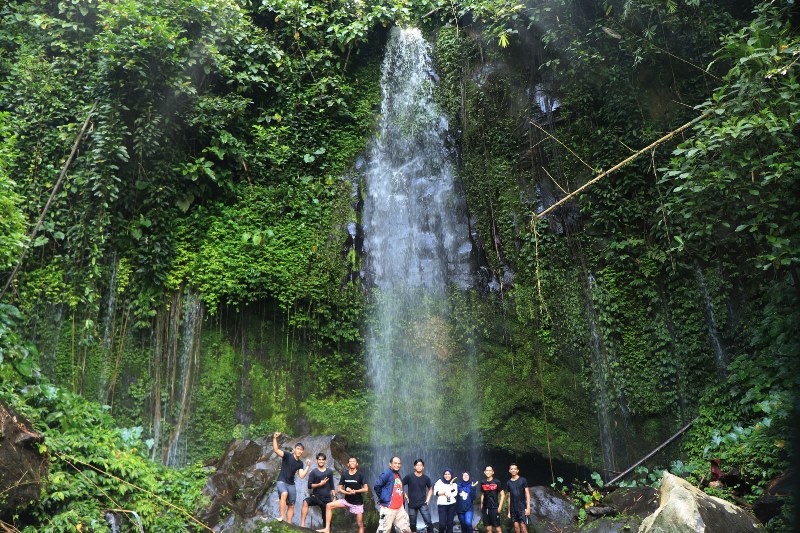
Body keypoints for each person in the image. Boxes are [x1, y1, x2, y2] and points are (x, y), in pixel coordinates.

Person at [317, 456, 368, 533]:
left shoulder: (361, 474)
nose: (352, 462)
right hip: (346, 501)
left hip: (357, 503)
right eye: (350, 461)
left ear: (357, 464)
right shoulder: (344, 474)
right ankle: (327, 529)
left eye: (354, 461)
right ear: (348, 464)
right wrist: (347, 492)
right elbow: (339, 489)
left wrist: (355, 491)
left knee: (359, 524)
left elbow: (366, 489)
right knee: (328, 505)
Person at [272, 431, 311, 523]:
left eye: (301, 450)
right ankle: (281, 516)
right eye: (298, 449)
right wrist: (274, 438)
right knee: (284, 494)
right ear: (294, 449)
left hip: (291, 484)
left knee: (291, 504)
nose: (299, 451)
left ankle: (289, 523)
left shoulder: (300, 463)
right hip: (281, 481)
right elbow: (276, 450)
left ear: (302, 451)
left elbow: (301, 476)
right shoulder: (287, 455)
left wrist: (308, 466)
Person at [374, 456, 412, 533]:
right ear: (390, 464)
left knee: (405, 529)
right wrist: (382, 497)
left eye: (399, 463)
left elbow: (396, 487)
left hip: (399, 508)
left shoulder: (397, 475)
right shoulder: (387, 473)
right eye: (395, 463)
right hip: (388, 508)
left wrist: (403, 494)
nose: (397, 465)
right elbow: (377, 486)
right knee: (384, 530)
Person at [302, 452, 336, 528]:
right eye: (319, 459)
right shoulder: (313, 472)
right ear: (316, 461)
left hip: (327, 499)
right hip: (316, 497)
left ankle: (327, 530)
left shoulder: (329, 471)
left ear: (325, 461)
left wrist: (334, 497)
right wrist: (320, 484)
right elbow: (309, 486)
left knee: (326, 520)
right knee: (305, 502)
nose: (321, 461)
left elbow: (332, 485)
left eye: (322, 460)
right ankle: (302, 525)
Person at [402, 459, 433, 533]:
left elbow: (430, 489)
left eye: (421, 465)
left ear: (423, 467)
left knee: (428, 522)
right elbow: (400, 485)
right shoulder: (409, 477)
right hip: (412, 503)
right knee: (412, 524)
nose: (419, 467)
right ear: (414, 467)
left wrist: (428, 499)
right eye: (417, 465)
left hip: (423, 503)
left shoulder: (426, 478)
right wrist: (405, 495)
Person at [505, 464, 530, 533]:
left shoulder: (523, 480)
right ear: (509, 470)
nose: (513, 470)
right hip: (513, 509)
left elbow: (527, 494)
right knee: (516, 528)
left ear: (517, 470)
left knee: (523, 528)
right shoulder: (508, 482)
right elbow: (509, 497)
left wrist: (528, 508)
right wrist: (509, 511)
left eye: (515, 469)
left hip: (522, 508)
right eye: (512, 469)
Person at [479, 466, 505, 533]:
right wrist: (481, 504)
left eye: (490, 470)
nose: (488, 472)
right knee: (488, 529)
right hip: (485, 508)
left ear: (493, 472)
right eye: (487, 470)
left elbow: (503, 495)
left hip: (494, 507)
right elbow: (482, 494)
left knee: (498, 529)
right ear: (484, 472)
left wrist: (499, 507)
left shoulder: (497, 482)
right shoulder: (483, 482)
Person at [433, 469, 458, 533]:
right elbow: (435, 492)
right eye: (445, 474)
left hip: (452, 505)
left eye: (449, 474)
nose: (447, 476)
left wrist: (450, 492)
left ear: (451, 475)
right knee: (442, 524)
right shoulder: (439, 481)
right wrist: (443, 492)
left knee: (450, 524)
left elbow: (455, 493)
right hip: (442, 505)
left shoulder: (454, 483)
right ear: (443, 475)